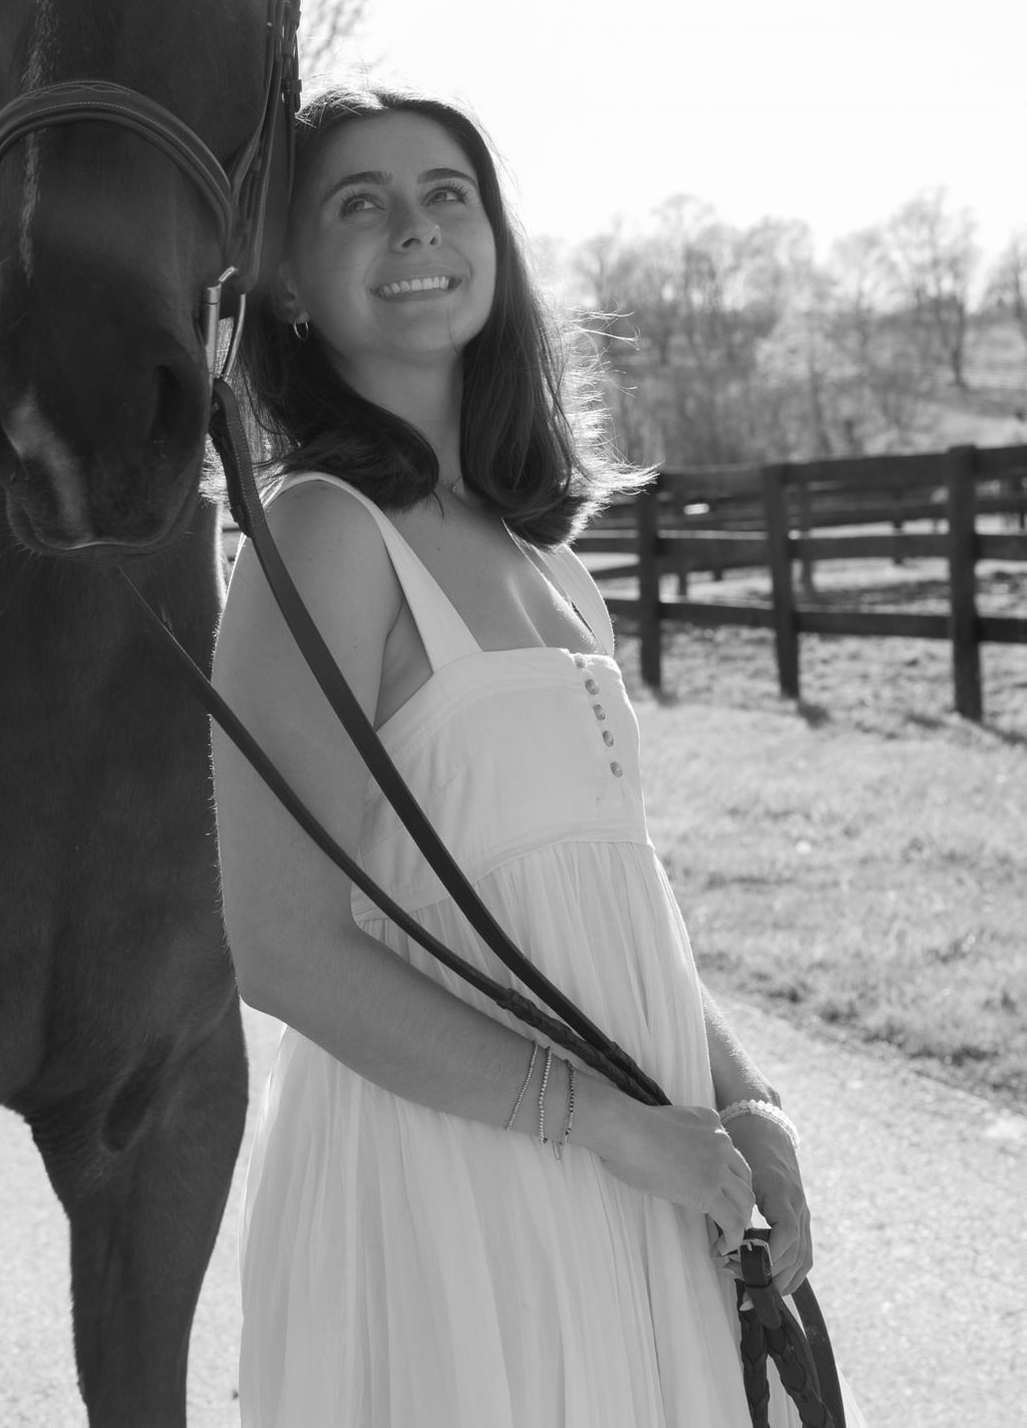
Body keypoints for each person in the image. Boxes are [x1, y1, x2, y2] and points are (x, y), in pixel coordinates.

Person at [211, 88, 860, 1427]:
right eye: (358, 201)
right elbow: (280, 946)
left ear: (495, 239)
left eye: (448, 191)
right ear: (287, 282)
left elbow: (612, 891)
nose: (415, 226)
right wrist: (610, 1125)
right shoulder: (322, 536)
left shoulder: (544, 552)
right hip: (451, 1184)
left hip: (641, 1162)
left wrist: (748, 1099)